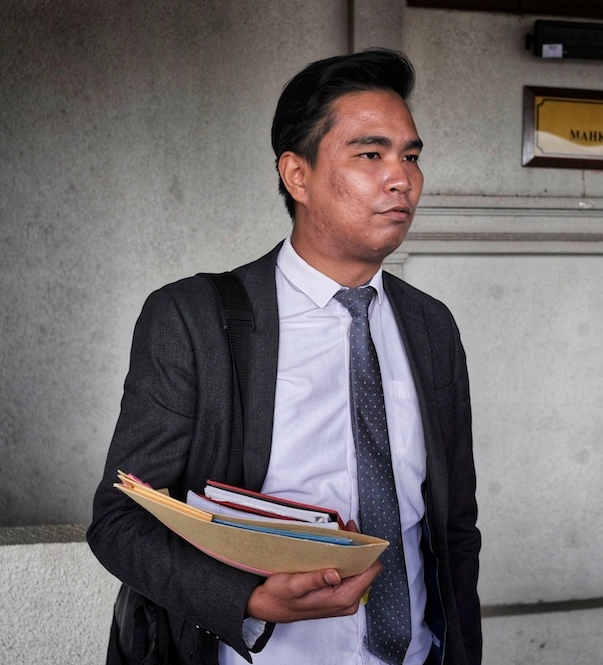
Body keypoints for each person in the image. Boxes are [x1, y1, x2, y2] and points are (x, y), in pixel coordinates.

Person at [87, 48, 481, 665]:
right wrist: (248, 598)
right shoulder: (195, 320)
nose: (401, 178)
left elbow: (454, 529)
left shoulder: (430, 326)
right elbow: (118, 520)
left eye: (411, 156)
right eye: (371, 154)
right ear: (298, 176)